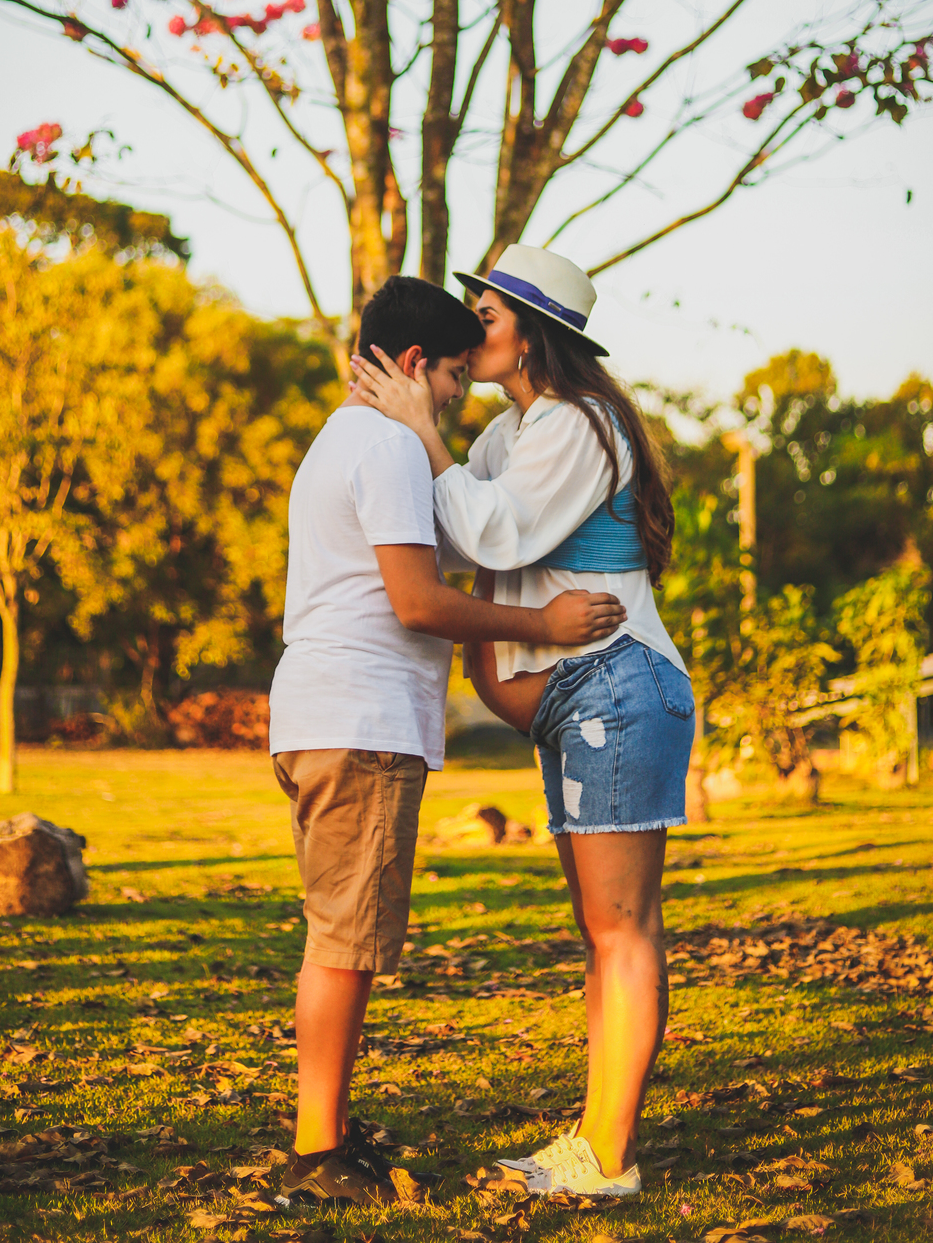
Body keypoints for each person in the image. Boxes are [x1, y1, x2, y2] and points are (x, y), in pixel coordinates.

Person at [270, 273, 627, 1208]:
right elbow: (418, 602)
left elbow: (461, 547)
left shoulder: (343, 438)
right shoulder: (387, 444)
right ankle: (316, 1152)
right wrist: (543, 626)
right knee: (344, 942)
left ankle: (328, 1129)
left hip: (325, 713)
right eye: (455, 378)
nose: (461, 397)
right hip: (359, 720)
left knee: (340, 934)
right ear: (415, 363)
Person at [350, 244, 693, 1202]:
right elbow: (453, 518)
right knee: (603, 930)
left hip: (617, 684)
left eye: (488, 313)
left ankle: (609, 1160)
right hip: (583, 696)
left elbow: (490, 532)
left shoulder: (579, 423)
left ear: (533, 335)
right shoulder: (516, 433)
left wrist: (423, 430)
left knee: (622, 929)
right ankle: (597, 1141)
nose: (472, 327)